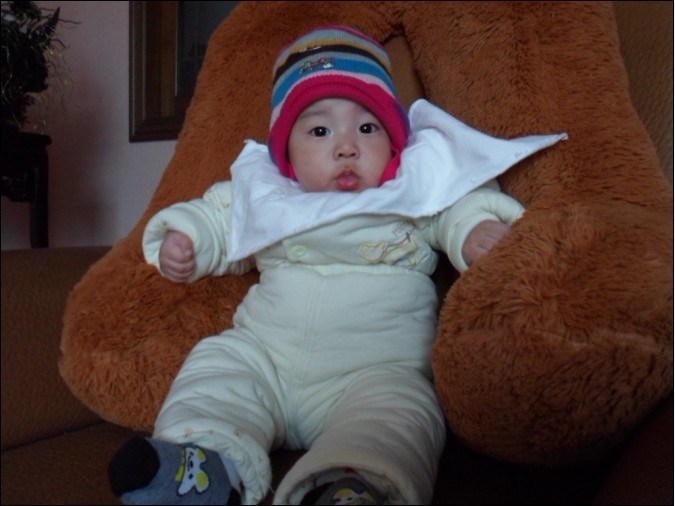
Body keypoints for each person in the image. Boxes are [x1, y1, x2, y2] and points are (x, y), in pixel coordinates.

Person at [108, 25, 565, 505]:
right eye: (320, 131)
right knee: (215, 368)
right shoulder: (267, 191)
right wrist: (188, 241)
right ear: (287, 151)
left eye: (367, 128)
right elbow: (220, 219)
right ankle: (202, 465)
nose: (346, 147)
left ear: (393, 142)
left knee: (401, 413)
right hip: (265, 357)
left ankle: (352, 484)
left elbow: (457, 203)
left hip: (372, 371)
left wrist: (473, 231)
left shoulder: (410, 188)